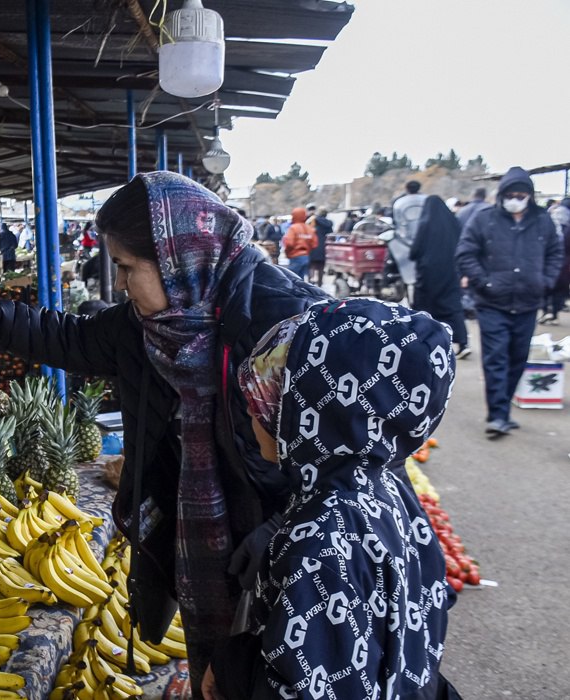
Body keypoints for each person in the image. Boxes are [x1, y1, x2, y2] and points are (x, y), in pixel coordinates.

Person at [0, 171, 330, 697]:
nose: (119, 285)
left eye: (128, 268)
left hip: (290, 561)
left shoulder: (291, 323)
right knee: (217, 668)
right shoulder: (151, 322)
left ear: (180, 257)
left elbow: (356, 455)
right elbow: (70, 338)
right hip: (201, 537)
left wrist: (282, 530)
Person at [215, 298, 458, 700]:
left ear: (320, 414)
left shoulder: (320, 542)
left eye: (270, 399)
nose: (252, 412)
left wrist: (233, 672)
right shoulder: (386, 489)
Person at [455, 167, 563, 437]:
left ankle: (503, 410)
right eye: (511, 194)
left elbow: (555, 252)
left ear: (529, 196)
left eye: (521, 194)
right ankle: (498, 414)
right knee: (496, 358)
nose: (516, 198)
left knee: (518, 357)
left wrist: (545, 281)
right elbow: (465, 253)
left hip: (528, 301)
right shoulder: (484, 220)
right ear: (502, 194)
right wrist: (484, 282)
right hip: (493, 302)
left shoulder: (542, 221)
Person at [410, 195, 471, 358]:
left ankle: (424, 342)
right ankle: (463, 342)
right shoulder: (454, 223)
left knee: (425, 309)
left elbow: (414, 251)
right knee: (453, 308)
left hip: (428, 275)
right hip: (451, 273)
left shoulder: (425, 224)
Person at [539, 201, 570, 324]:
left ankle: (547, 310)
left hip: (547, 261)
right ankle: (554, 313)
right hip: (565, 263)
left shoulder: (547, 223)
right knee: (559, 290)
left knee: (546, 288)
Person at [281, 206, 317, 279]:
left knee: (291, 279)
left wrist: (287, 252)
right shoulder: (309, 228)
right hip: (306, 257)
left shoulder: (293, 228)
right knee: (301, 280)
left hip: (295, 256)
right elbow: (314, 244)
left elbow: (289, 243)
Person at [307, 206, 332, 286]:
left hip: (313, 247)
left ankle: (311, 283)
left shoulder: (313, 220)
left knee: (311, 266)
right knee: (321, 267)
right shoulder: (329, 223)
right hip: (323, 248)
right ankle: (320, 283)